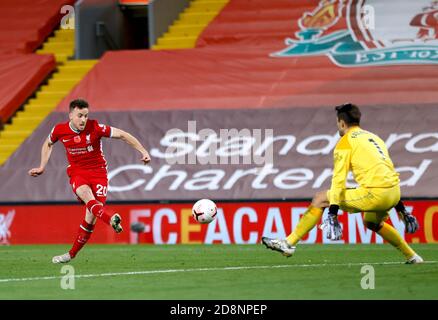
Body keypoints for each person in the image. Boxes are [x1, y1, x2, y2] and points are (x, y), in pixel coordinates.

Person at [262, 103, 423, 264]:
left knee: (320, 198)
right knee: (372, 222)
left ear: (342, 123)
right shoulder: (374, 138)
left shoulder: (345, 142)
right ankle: (412, 256)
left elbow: (339, 179)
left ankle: (288, 243)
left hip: (375, 194)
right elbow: (387, 172)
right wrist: (401, 208)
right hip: (394, 193)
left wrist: (332, 212)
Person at [28, 99, 151, 264]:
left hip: (99, 173)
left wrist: (143, 151)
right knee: (86, 195)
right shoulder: (59, 130)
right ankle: (110, 218)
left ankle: (71, 254)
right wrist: (42, 166)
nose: (83, 120)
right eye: (80, 116)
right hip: (78, 172)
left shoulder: (95, 127)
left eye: (85, 115)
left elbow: (123, 135)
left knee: (91, 217)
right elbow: (48, 143)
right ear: (71, 115)